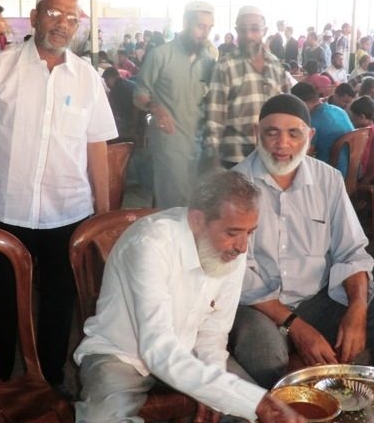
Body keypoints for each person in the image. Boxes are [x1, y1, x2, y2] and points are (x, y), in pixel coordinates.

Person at [0, 0, 117, 386]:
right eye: (53, 14)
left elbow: (97, 147)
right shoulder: (0, 68)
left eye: (72, 18)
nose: (62, 24)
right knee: (1, 296)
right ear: (33, 18)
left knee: (59, 300)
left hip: (69, 211)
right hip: (7, 210)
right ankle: (1, 379)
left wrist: (103, 214)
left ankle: (49, 379)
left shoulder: (87, 78)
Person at [229, 94, 374, 390]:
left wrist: (357, 308)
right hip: (261, 307)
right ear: (256, 133)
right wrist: (296, 327)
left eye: (294, 133)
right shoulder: (234, 186)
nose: (282, 143)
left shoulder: (328, 180)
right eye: (272, 132)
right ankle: (288, 404)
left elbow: (351, 251)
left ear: (310, 137)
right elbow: (237, 275)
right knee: (264, 354)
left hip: (318, 300)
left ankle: (372, 396)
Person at [73, 170, 305, 423]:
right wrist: (251, 401)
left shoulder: (233, 251)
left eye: (249, 232)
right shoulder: (150, 244)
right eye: (232, 232)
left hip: (188, 354)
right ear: (197, 220)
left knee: (247, 415)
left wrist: (211, 391)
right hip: (121, 355)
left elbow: (213, 333)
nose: (242, 246)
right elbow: (158, 350)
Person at [134, 1, 216, 208]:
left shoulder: (208, 61)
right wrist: (155, 108)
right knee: (172, 203)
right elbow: (139, 94)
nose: (204, 33)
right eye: (200, 26)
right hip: (169, 141)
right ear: (185, 22)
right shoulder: (160, 55)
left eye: (209, 28)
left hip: (198, 143)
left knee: (196, 203)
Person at [203, 5, 289, 169]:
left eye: (254, 29)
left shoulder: (276, 66)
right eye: (242, 30)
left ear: (265, 31)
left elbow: (287, 109)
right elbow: (214, 116)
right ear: (236, 31)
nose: (248, 35)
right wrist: (212, 158)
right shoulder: (225, 66)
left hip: (271, 155)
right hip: (235, 157)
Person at [292, 82, 354, 176]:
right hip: (352, 170)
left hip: (331, 174)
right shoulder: (339, 110)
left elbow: (306, 156)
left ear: (301, 103)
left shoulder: (313, 121)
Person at [349, 96, 374, 181]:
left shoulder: (365, 133)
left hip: (365, 173)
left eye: (354, 117)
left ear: (362, 117)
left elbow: (362, 158)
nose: (352, 120)